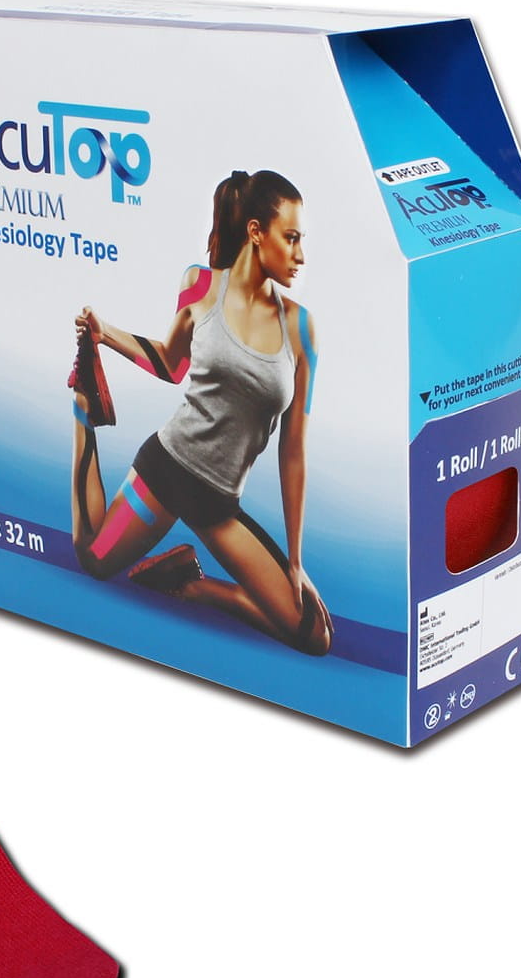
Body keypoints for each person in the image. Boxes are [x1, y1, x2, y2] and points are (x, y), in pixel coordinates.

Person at [67, 169, 333, 656]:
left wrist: (294, 560)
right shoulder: (201, 285)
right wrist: (107, 335)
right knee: (94, 557)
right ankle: (84, 410)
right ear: (256, 232)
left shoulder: (301, 330)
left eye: (301, 241)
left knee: (314, 635)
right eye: (291, 238)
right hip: (166, 470)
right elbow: (172, 363)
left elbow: (293, 450)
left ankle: (195, 587)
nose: (300, 256)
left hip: (217, 505)